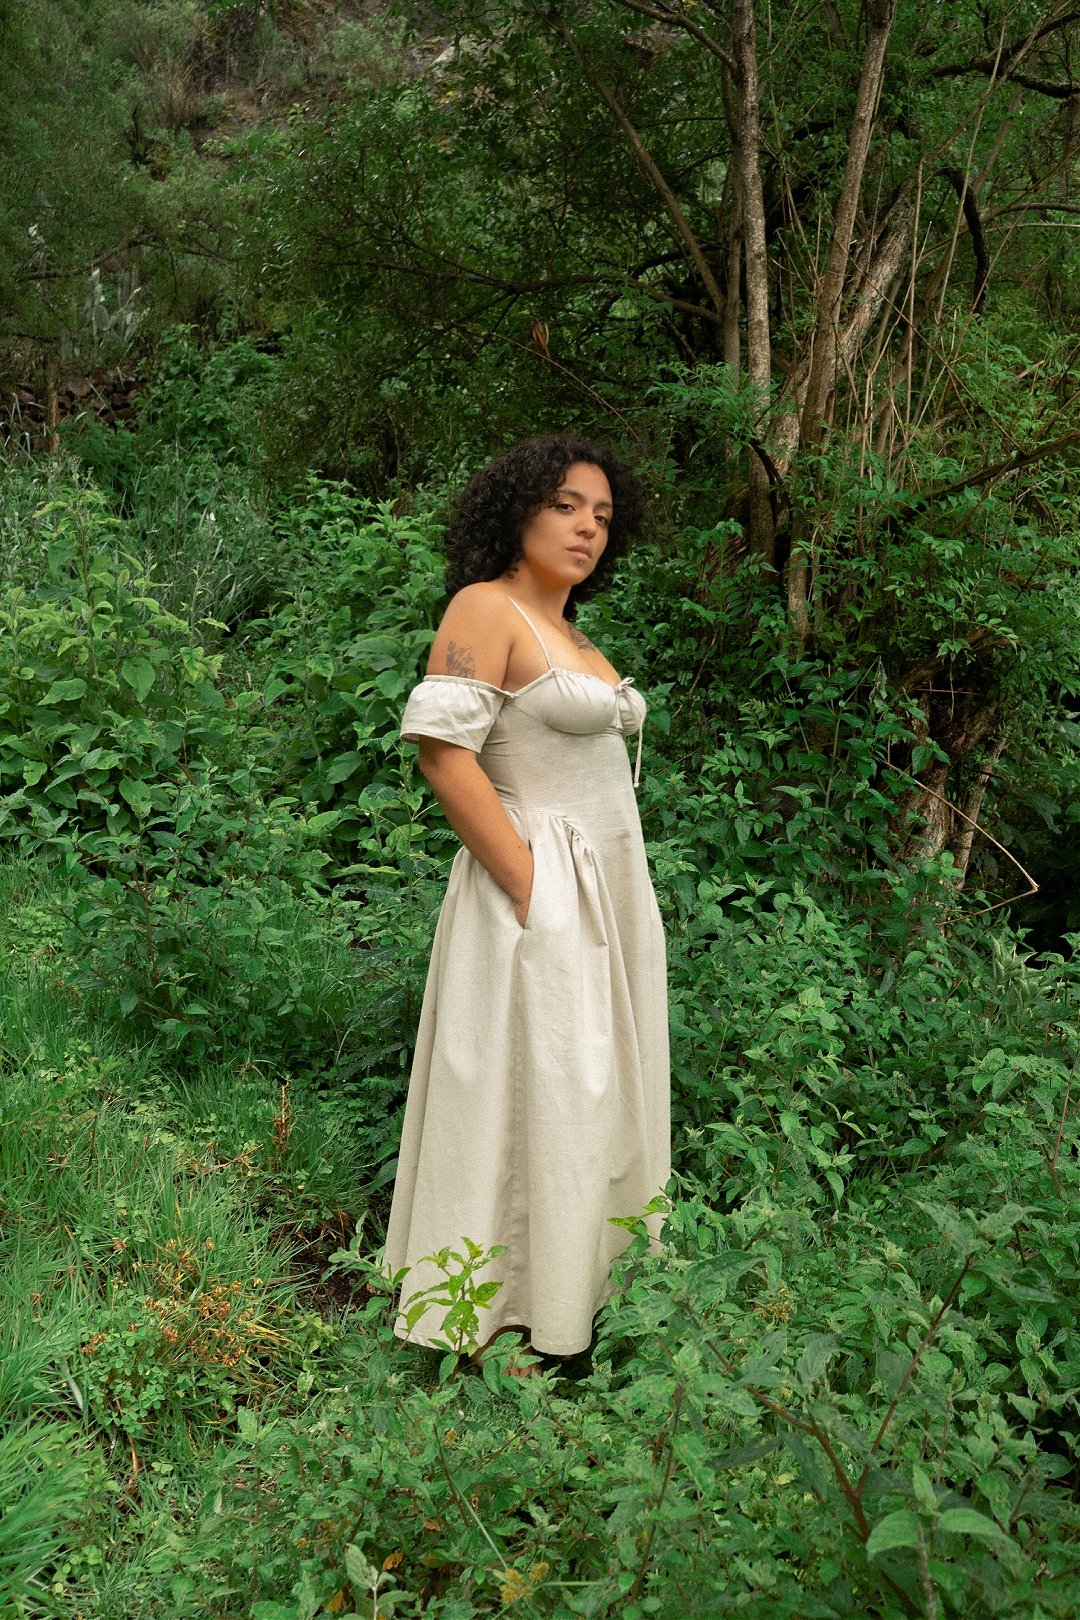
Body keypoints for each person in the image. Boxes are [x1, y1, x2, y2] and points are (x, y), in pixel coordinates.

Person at [385, 433, 670, 1361]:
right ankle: (492, 1317)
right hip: (540, 888)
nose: (587, 527)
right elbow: (444, 754)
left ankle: (573, 1302)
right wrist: (530, 881)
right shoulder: (486, 606)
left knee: (585, 1095)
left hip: (608, 891)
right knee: (536, 1086)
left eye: (603, 516)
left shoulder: (576, 634)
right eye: (565, 506)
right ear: (518, 512)